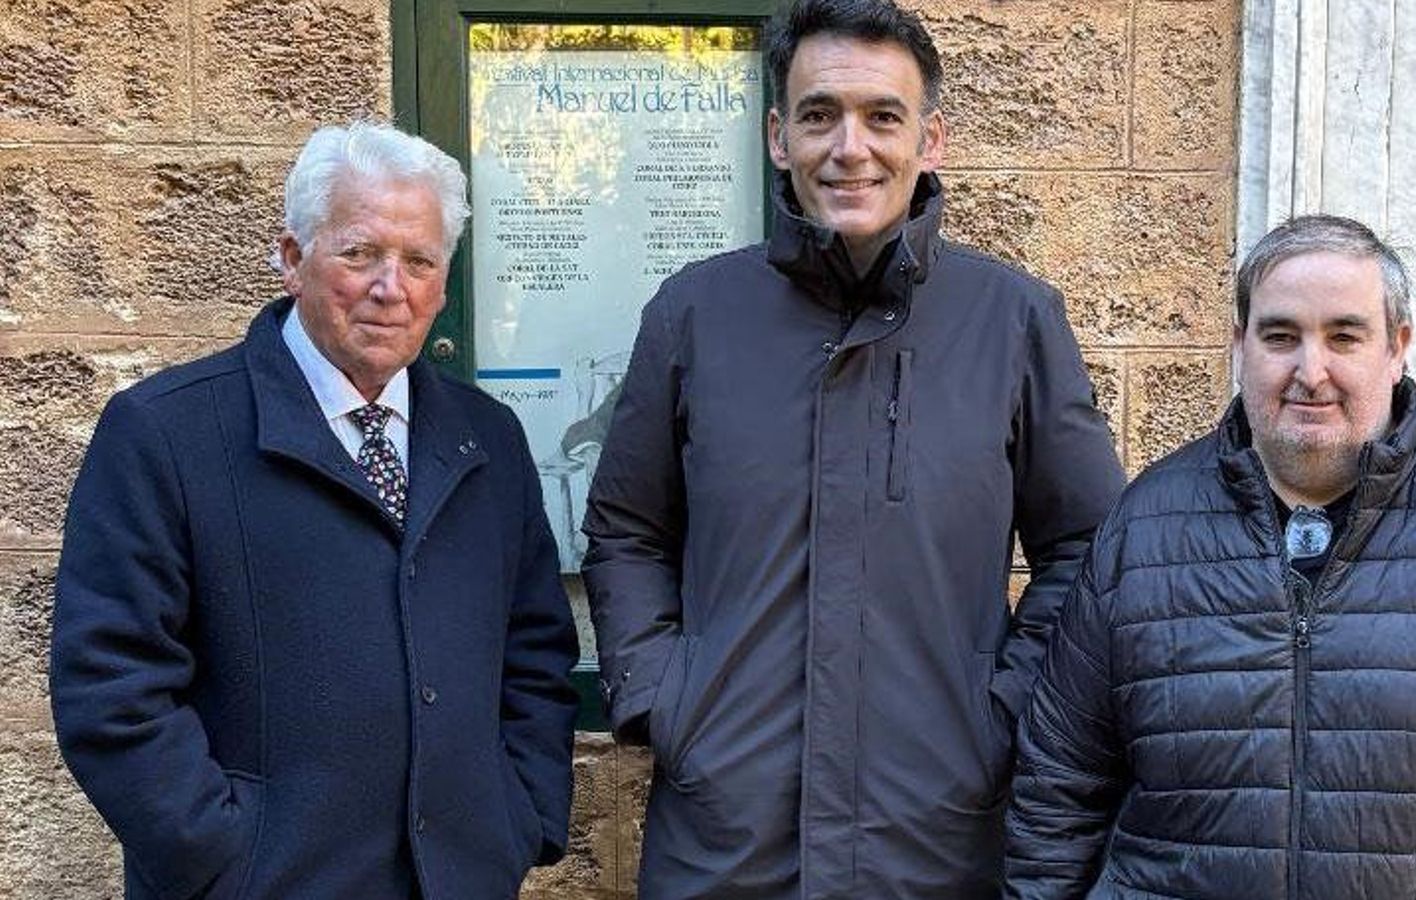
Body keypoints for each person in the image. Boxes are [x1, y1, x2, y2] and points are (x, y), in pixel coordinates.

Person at [581, 0, 1126, 895]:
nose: (851, 148)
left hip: (933, 835)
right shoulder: (693, 316)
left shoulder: (1013, 321)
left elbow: (1092, 547)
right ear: (776, 135)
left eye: (883, 117)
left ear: (931, 137)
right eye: (819, 114)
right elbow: (627, 528)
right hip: (729, 834)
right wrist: (663, 698)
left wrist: (1004, 706)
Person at [50, 120, 579, 900]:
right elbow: (110, 685)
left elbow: (535, 652)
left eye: (419, 261)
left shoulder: (486, 439)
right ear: (293, 258)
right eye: (359, 252)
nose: (389, 287)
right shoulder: (166, 433)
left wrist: (519, 816)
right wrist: (222, 859)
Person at [1003, 214, 1416, 899]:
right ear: (1239, 346)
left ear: (1397, 347)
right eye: (1280, 336)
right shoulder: (1145, 531)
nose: (1309, 371)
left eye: (1344, 336)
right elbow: (1060, 787)